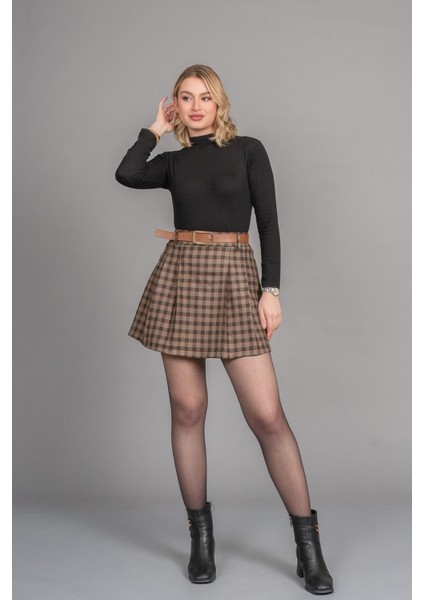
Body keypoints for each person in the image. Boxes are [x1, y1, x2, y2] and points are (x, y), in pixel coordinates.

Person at [115, 64, 334, 594]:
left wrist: (271, 289)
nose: (196, 107)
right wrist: (154, 129)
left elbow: (269, 223)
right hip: (180, 276)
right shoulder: (172, 161)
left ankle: (308, 548)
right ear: (176, 106)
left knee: (267, 416)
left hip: (236, 277)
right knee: (188, 411)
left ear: (220, 103)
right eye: (185, 98)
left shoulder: (249, 150)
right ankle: (201, 541)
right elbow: (127, 173)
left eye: (205, 97)